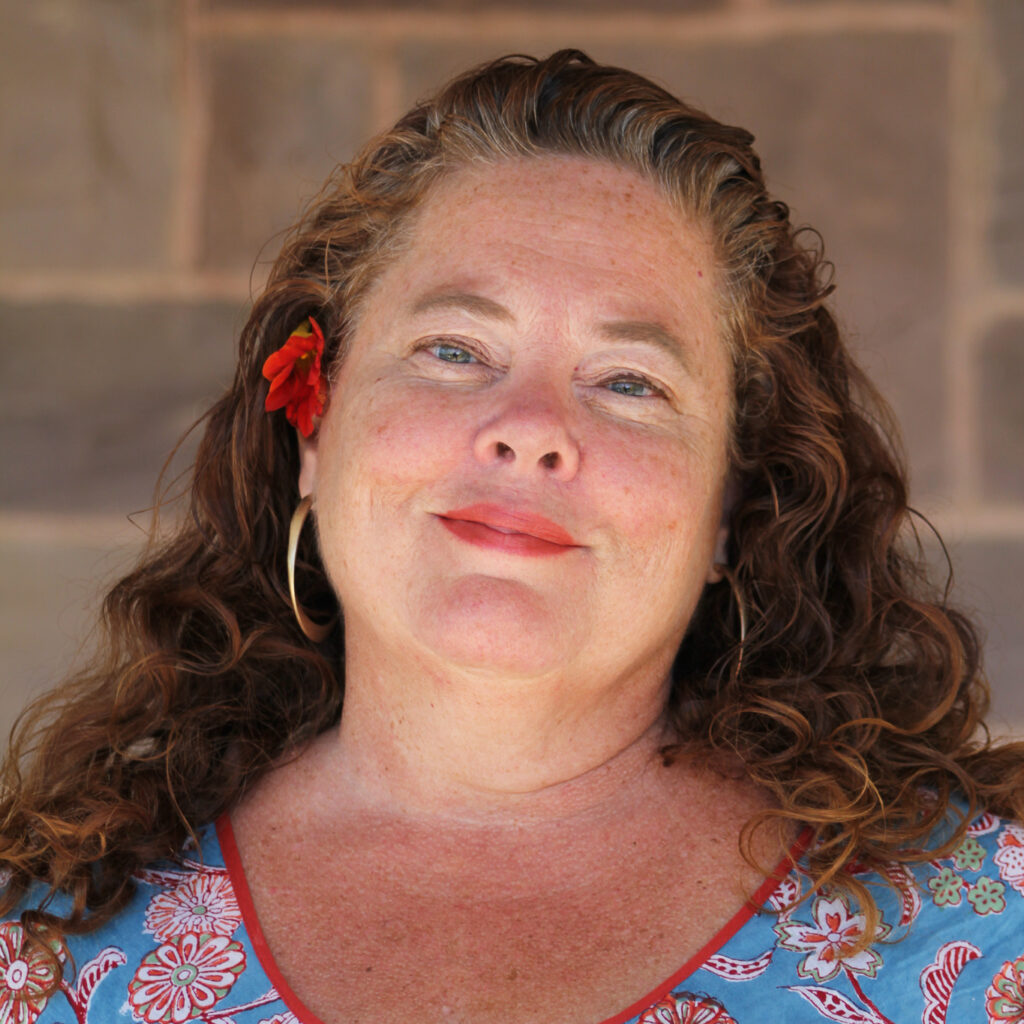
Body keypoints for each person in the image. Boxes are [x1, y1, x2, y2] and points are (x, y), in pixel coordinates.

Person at [1, 49, 1023, 1024]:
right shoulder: (42, 951)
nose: (530, 427)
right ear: (315, 425)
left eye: (630, 381)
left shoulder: (983, 940)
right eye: (454, 348)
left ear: (731, 505)